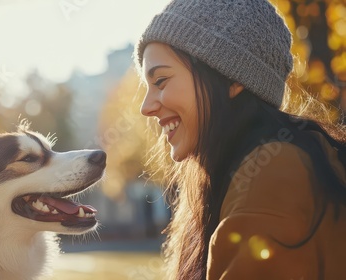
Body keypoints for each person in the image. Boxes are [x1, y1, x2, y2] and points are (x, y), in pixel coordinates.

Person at [133, 0, 346, 279]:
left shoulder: (275, 173)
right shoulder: (240, 173)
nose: (146, 107)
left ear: (233, 79)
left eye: (160, 81)